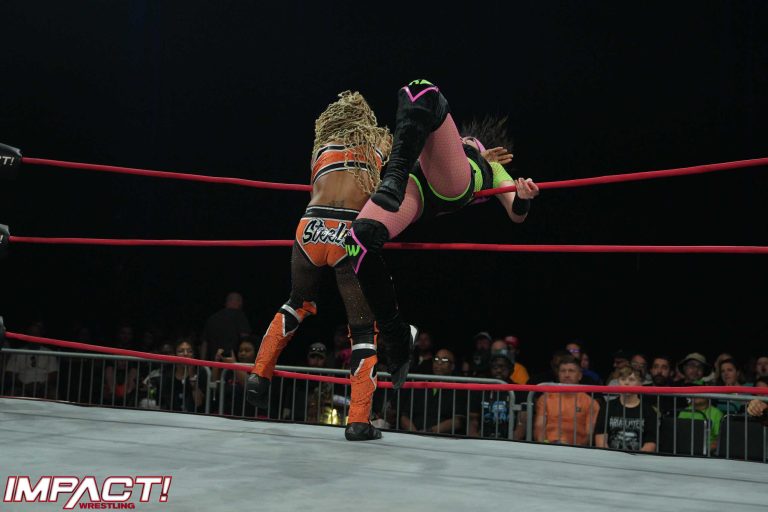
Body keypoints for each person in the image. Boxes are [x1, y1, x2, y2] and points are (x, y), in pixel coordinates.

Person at [343, 79, 539, 385]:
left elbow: (516, 212)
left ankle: (393, 175)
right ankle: (396, 333)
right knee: (358, 240)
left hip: (453, 183)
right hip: (417, 188)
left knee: (423, 89)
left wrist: (524, 199)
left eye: (469, 140)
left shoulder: (489, 165)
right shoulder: (428, 141)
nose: (463, 139)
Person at [244, 91, 413, 441]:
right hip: (348, 229)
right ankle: (359, 420)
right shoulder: (376, 141)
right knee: (363, 329)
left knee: (297, 302)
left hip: (310, 226)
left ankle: (259, 375)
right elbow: (404, 162)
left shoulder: (320, 148)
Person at [595, 366, 658, 452]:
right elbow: (600, 439)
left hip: (638, 458)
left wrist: (637, 458)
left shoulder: (648, 411)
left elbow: (650, 443)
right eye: (623, 379)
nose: (626, 383)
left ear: (640, 383)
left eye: (631, 380)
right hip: (610, 457)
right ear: (618, 382)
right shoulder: (607, 407)